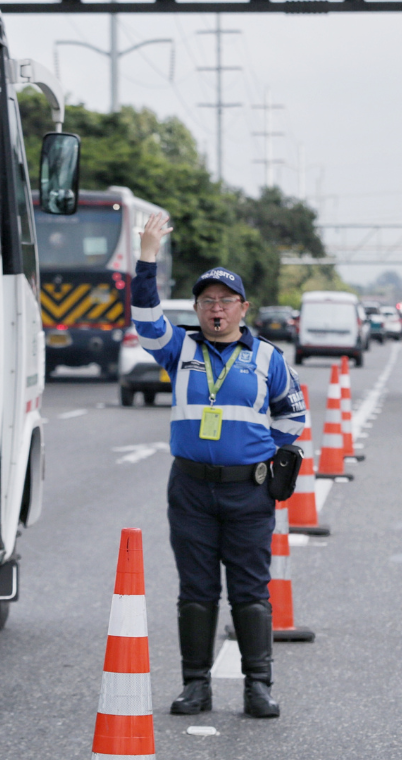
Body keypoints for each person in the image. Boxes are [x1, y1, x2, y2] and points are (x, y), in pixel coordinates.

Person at [131, 212, 306, 719]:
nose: (215, 309)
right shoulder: (178, 349)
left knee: (250, 592)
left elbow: (292, 414)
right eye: (206, 300)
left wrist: (260, 455)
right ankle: (196, 687)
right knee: (196, 591)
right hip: (189, 490)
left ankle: (258, 686)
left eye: (225, 301)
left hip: (247, 493)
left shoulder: (267, 359)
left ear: (242, 308)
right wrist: (147, 256)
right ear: (197, 307)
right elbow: (144, 316)